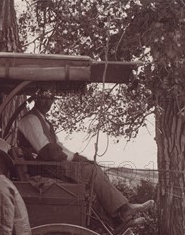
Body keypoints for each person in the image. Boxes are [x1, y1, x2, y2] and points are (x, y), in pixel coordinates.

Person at [17, 95, 153, 227]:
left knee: (93, 168)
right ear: (36, 99)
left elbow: (59, 147)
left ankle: (120, 216)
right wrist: (76, 159)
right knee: (90, 171)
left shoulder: (43, 121)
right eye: (44, 98)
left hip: (52, 166)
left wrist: (78, 157)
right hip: (46, 168)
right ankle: (122, 213)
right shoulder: (30, 120)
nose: (48, 102)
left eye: (51, 98)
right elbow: (48, 151)